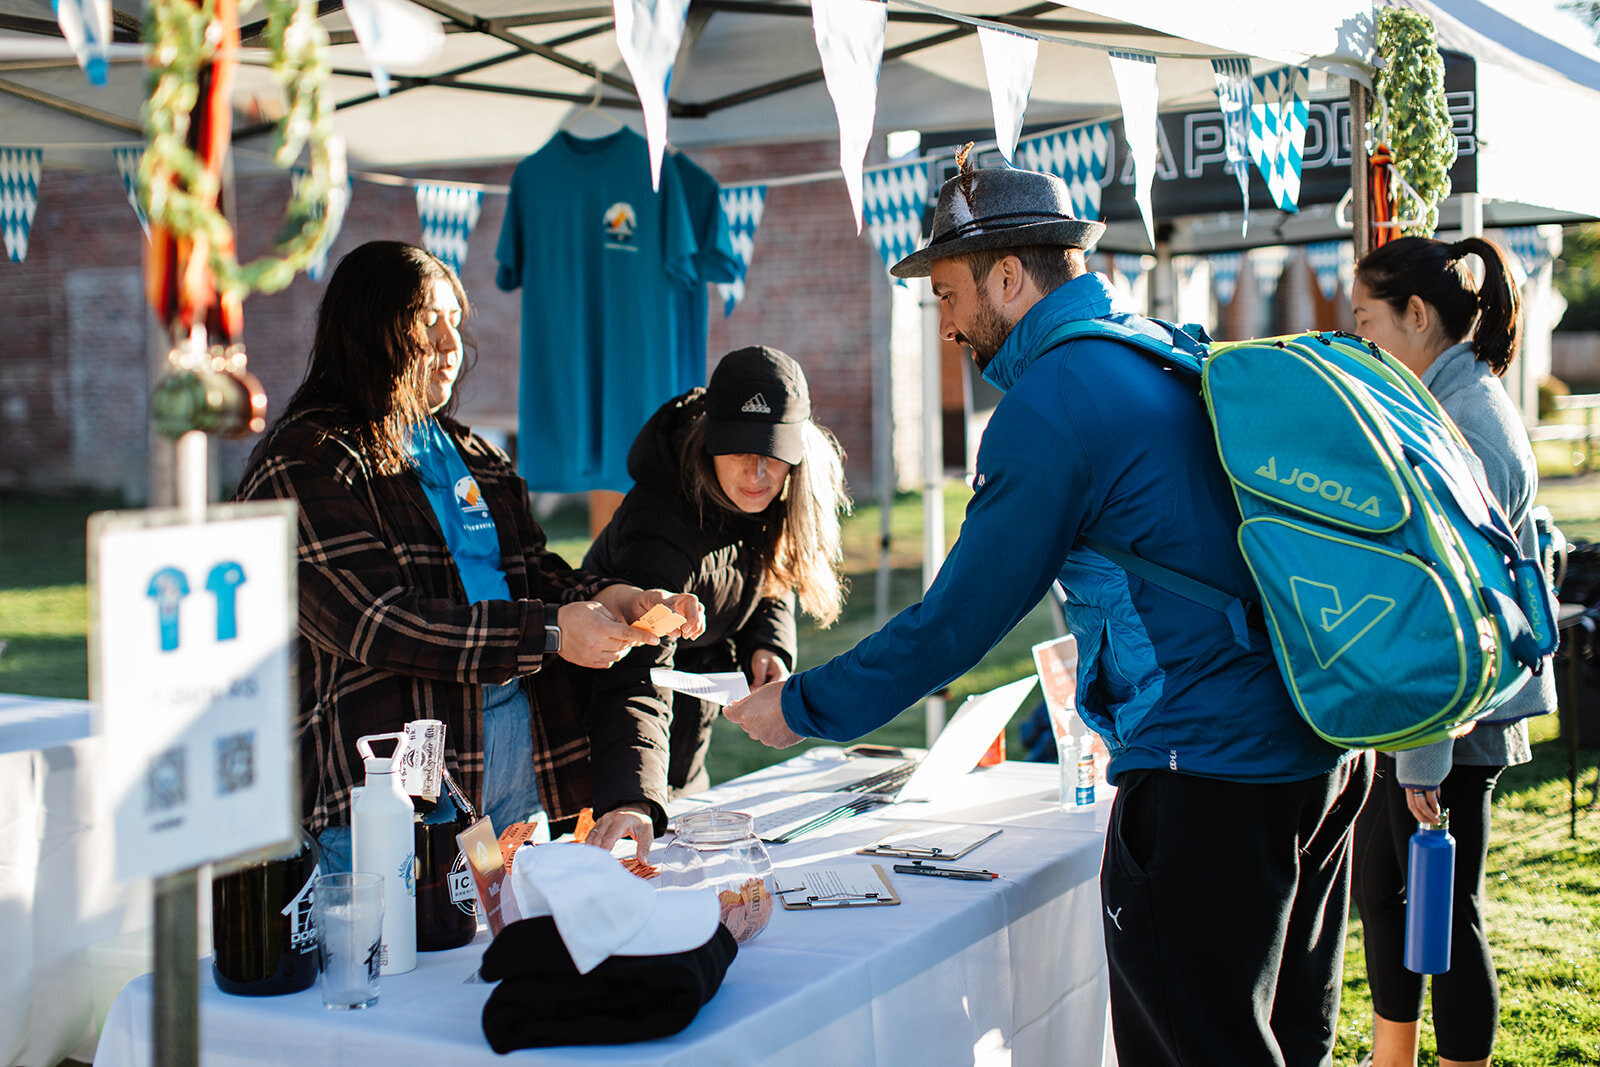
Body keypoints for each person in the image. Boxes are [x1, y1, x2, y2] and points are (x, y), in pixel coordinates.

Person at [724, 160, 1370, 1065]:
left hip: (1205, 769)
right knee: (1290, 1041)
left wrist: (801, 706)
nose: (945, 324)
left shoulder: (1053, 401)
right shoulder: (1151, 348)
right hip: (1316, 745)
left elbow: (956, 623)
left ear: (1009, 276)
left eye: (948, 294)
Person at [234, 240, 703, 871]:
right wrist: (549, 631)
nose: (452, 346)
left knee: (506, 942)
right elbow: (372, 621)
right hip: (395, 784)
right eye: (429, 322)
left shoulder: (471, 452)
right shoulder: (306, 460)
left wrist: (611, 598)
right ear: (371, 324)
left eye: (456, 322)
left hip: (512, 763)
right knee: (398, 957)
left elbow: (532, 573)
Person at [1348, 236, 1554, 1067]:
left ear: (1417, 316)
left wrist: (1424, 760)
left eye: (1367, 322)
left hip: (1454, 719)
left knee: (1444, 908)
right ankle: (1391, 1056)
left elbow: (1453, 612)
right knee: (1390, 894)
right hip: (1433, 712)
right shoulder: (1455, 398)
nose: (1361, 341)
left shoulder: (1467, 421)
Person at [582, 346, 850, 847]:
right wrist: (636, 798)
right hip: (602, 743)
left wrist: (767, 646)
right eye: (739, 449)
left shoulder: (776, 493)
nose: (756, 473)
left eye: (772, 452)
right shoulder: (658, 529)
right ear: (709, 439)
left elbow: (768, 575)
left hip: (684, 734)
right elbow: (638, 670)